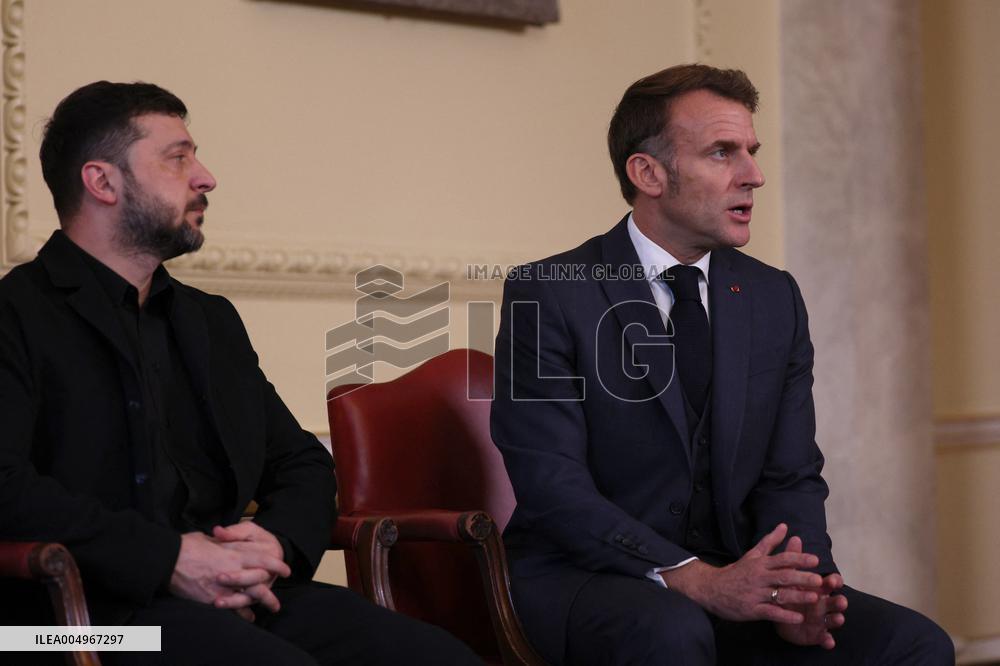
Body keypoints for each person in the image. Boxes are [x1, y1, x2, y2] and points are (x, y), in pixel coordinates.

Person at [0, 81, 481, 666]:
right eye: (178, 158)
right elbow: (6, 486)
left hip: (234, 599)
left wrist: (271, 544)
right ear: (102, 182)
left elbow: (301, 463)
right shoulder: (14, 315)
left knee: (437, 658)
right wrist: (168, 559)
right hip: (71, 625)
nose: (205, 177)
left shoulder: (210, 322)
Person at [490, 64, 954, 665]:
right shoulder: (548, 292)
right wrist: (691, 577)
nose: (754, 176)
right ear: (648, 173)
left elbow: (790, 475)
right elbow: (552, 487)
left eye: (752, 152)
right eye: (722, 153)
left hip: (734, 574)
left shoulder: (773, 297)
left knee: (914, 645)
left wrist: (801, 587)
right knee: (674, 632)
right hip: (584, 575)